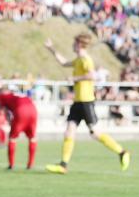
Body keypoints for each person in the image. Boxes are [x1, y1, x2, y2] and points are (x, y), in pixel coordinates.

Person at [43, 33, 130, 174]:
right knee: (69, 131)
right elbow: (64, 62)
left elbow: (92, 75)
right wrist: (51, 49)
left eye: (74, 42)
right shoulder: (79, 59)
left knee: (95, 133)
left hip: (86, 101)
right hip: (78, 101)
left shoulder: (85, 59)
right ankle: (63, 165)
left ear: (79, 44)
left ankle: (122, 152)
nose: (72, 45)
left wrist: (75, 78)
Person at [0, 85, 39, 170]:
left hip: (21, 111)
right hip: (33, 110)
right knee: (32, 138)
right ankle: (30, 164)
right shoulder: (17, 95)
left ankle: (11, 165)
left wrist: (10, 121)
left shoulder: (2, 96)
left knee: (12, 138)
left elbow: (3, 110)